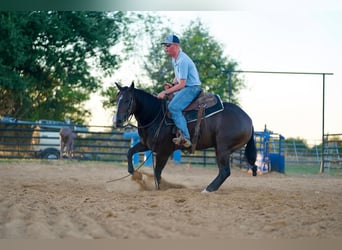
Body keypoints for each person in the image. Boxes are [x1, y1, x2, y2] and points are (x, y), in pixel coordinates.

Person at [157, 34, 202, 148]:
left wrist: (166, 92)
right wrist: (172, 85)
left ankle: (185, 137)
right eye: (164, 46)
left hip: (192, 88)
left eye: (168, 45)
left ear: (176, 46)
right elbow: (178, 78)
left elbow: (182, 84)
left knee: (173, 107)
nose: (165, 48)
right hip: (186, 86)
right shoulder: (175, 59)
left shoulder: (182, 60)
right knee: (169, 103)